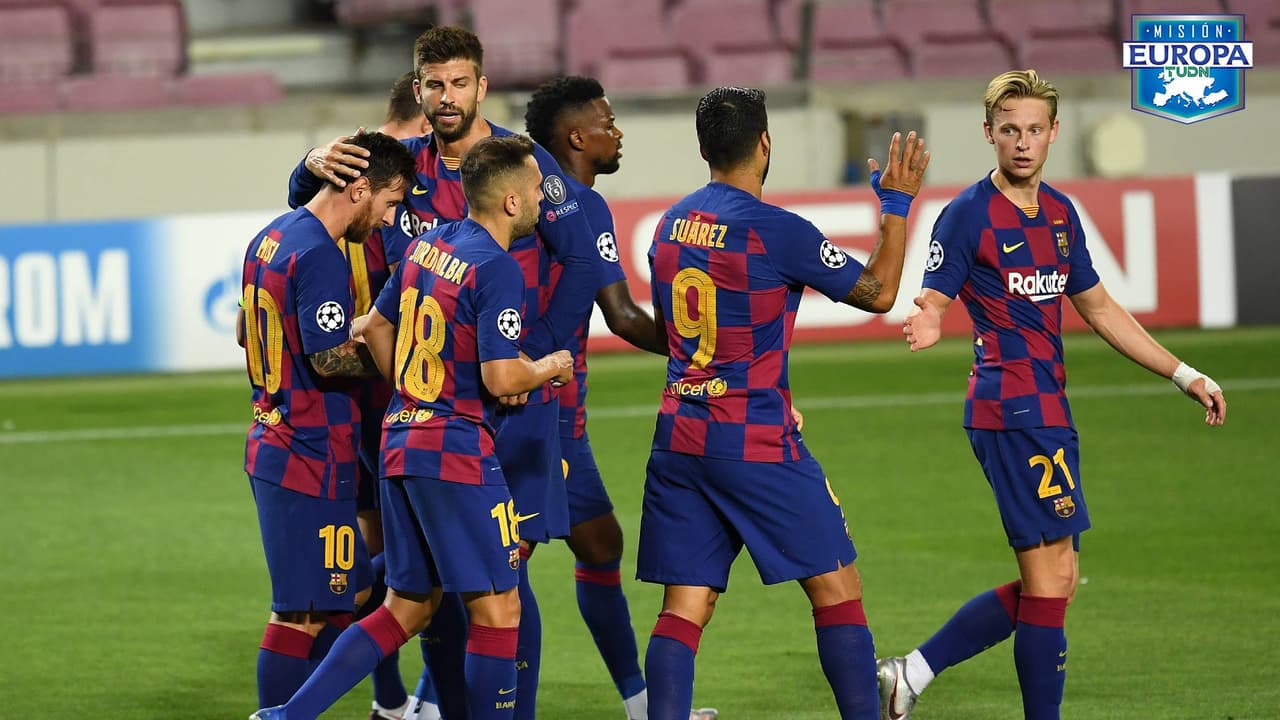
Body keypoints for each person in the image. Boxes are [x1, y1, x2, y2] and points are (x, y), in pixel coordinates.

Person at [879, 69, 1227, 720]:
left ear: (1053, 134)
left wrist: (1184, 374)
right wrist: (929, 317)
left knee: (1057, 581)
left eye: (1034, 129)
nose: (1022, 142)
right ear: (989, 133)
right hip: (1009, 409)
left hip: (1049, 409)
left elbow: (1100, 308)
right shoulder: (968, 215)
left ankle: (909, 674)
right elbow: (935, 295)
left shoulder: (1063, 214)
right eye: (1009, 129)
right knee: (1049, 581)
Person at [287, 26, 601, 720]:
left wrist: (524, 354)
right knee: (461, 595)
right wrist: (310, 163)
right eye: (435, 85)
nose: (448, 97)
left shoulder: (521, 162)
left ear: (481, 86)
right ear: (419, 89)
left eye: (460, 83)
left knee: (489, 583)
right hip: (447, 412)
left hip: (497, 413)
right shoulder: (407, 164)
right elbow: (310, 196)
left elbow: (580, 261)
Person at [638, 86, 930, 720]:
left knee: (684, 607)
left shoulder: (668, 226)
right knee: (837, 587)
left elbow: (675, 333)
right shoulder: (777, 230)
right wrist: (896, 205)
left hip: (680, 438)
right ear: (765, 143)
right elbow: (879, 293)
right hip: (754, 440)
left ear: (703, 149)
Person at [238, 130, 415, 711]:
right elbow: (328, 358)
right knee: (301, 613)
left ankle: (312, 705)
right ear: (359, 189)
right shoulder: (320, 252)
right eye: (388, 203)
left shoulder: (272, 236)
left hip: (281, 438)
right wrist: (404, 355)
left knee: (352, 590)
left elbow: (243, 330)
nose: (387, 221)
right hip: (307, 450)